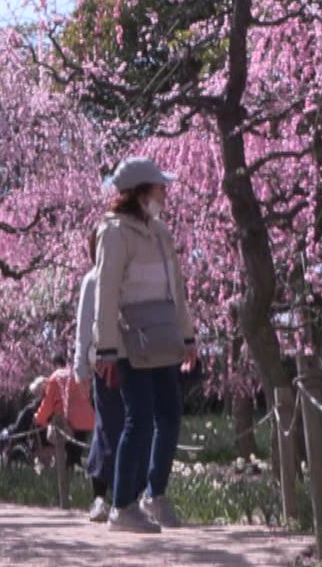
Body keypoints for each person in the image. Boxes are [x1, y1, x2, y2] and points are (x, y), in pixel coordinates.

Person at [92, 158, 199, 534]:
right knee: (138, 418)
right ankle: (122, 505)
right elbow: (106, 292)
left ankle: (155, 493)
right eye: (159, 187)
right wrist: (105, 349)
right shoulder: (113, 232)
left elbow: (176, 290)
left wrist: (187, 336)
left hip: (162, 336)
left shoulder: (161, 232)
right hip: (128, 340)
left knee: (169, 414)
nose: (164, 193)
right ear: (140, 192)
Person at [74, 231, 125, 523]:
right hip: (105, 364)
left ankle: (121, 496)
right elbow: (84, 327)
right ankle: (101, 496)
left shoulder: (125, 276)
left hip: (132, 360)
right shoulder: (93, 279)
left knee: (127, 427)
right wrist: (81, 369)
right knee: (108, 427)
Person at [32, 351, 96, 470]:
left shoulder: (55, 378)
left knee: (68, 460)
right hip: (86, 420)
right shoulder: (75, 374)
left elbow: (48, 404)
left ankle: (69, 477)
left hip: (69, 423)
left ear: (54, 364)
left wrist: (39, 418)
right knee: (77, 455)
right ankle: (78, 474)